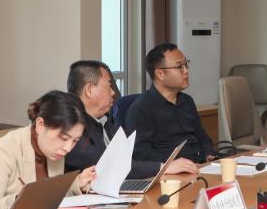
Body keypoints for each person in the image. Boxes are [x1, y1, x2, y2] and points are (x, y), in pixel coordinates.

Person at [0, 90, 96, 209]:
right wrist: (18, 200)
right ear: (40, 125)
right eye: (63, 138)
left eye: (75, 141)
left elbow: (47, 197)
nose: (68, 148)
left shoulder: (52, 150)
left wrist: (77, 184)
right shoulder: (1, 152)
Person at [64, 60, 199, 179]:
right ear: (89, 90)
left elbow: (128, 159)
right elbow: (108, 166)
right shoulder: (72, 127)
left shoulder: (106, 120)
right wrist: (163, 167)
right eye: (109, 86)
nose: (113, 92)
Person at [125, 43, 214, 169]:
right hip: (170, 173)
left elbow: (201, 135)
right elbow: (141, 153)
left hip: (200, 166)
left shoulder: (187, 101)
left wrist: (208, 153)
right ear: (160, 74)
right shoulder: (141, 108)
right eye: (179, 67)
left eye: (186, 64)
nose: (186, 71)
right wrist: (170, 165)